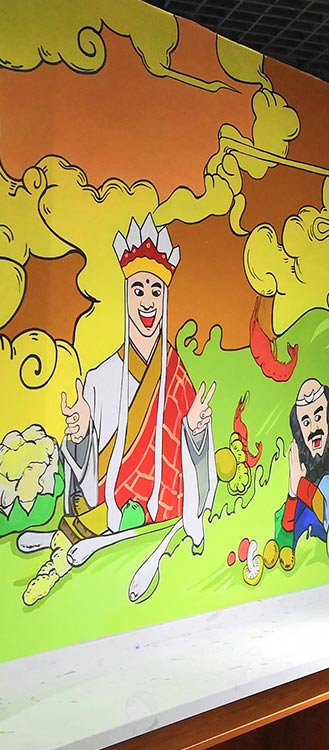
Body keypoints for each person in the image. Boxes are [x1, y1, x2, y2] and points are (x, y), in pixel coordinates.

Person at [20, 214, 217, 604]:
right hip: (112, 502)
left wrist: (195, 429)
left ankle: (61, 550)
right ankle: (60, 552)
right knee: (101, 512)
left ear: (165, 298)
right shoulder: (101, 377)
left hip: (160, 503)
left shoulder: (175, 373)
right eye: (138, 289)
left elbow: (195, 462)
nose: (147, 302)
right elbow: (85, 473)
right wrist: (80, 433)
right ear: (126, 295)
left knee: (118, 519)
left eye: (156, 291)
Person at [264, 378, 329, 571]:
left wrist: (299, 486)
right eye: (306, 422)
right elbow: (290, 517)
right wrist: (293, 493)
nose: (313, 429)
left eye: (318, 416)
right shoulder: (306, 456)